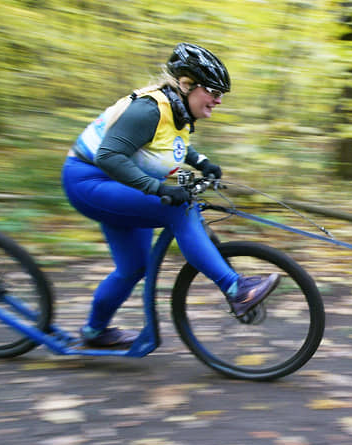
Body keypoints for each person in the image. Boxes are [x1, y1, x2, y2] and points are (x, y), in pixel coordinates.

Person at [62, 42, 279, 348]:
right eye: (214, 92)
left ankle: (94, 332)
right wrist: (159, 189)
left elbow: (167, 146)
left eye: (221, 95)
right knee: (178, 209)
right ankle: (236, 289)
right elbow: (110, 157)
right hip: (89, 179)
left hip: (119, 183)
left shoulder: (178, 112)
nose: (218, 100)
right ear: (187, 84)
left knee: (133, 267)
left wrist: (200, 162)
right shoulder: (149, 109)